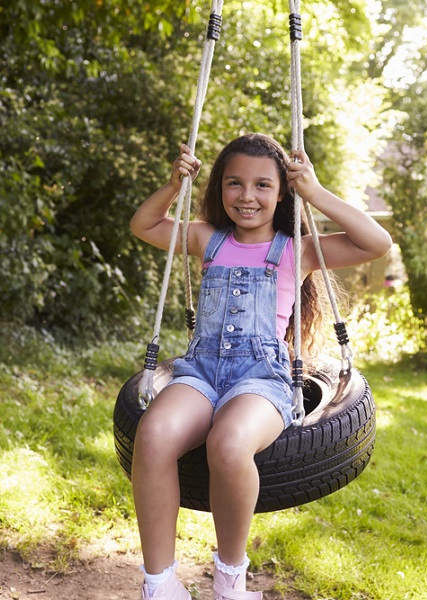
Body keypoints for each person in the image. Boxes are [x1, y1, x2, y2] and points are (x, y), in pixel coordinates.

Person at [129, 133, 392, 600]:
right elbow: (145, 225)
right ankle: (160, 584)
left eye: (262, 185)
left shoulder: (298, 251)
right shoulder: (206, 238)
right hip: (201, 371)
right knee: (153, 434)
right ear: (219, 188)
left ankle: (229, 580)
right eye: (234, 183)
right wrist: (173, 186)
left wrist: (316, 192)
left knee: (229, 444)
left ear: (282, 192)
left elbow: (376, 242)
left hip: (262, 377)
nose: (247, 196)